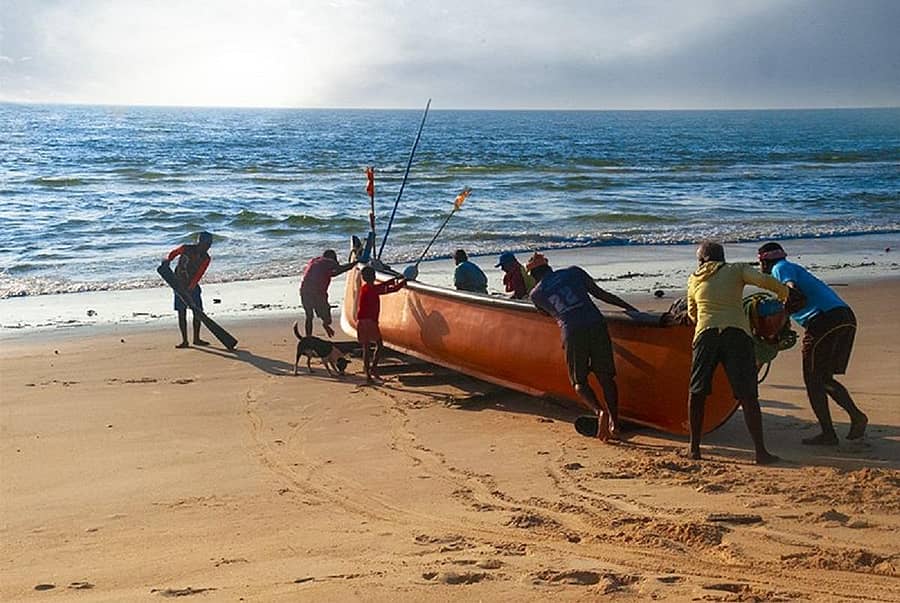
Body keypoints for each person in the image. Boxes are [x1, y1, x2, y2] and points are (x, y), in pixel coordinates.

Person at [686, 241, 787, 464]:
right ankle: (761, 453)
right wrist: (785, 293)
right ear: (722, 258)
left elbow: (693, 313)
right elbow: (765, 282)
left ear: (702, 260)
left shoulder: (694, 279)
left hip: (706, 335)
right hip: (737, 335)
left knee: (697, 392)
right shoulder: (737, 269)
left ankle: (694, 449)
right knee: (747, 395)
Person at [758, 242, 868, 445]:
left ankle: (830, 432)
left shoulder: (780, 268)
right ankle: (855, 417)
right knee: (823, 377)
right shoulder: (792, 267)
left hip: (824, 320)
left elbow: (792, 289)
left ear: (764, 261)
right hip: (844, 318)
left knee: (813, 379)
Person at [527, 252, 639, 441]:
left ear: (533, 275)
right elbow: (601, 294)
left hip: (572, 332)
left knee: (579, 382)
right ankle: (615, 422)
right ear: (549, 266)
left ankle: (599, 411)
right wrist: (632, 309)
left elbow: (548, 313)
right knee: (606, 377)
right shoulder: (574, 272)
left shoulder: (536, 294)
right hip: (596, 324)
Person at [164, 231, 213, 349]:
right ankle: (184, 341)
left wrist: (191, 287)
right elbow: (173, 254)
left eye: (210, 244)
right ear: (199, 242)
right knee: (182, 313)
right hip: (178, 284)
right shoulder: (186, 248)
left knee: (198, 312)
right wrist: (167, 261)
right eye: (206, 243)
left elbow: (199, 274)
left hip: (193, 286)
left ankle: (196, 339)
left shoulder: (206, 258)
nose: (208, 246)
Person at [357, 266, 405, 384]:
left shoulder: (365, 288)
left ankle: (368, 374)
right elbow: (392, 290)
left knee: (366, 348)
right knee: (379, 345)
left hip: (361, 321)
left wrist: (394, 280)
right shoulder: (372, 289)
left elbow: (382, 287)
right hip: (370, 322)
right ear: (373, 277)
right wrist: (403, 283)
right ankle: (373, 369)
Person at [300, 249, 355, 338]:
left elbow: (332, 273)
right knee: (327, 319)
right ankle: (325, 324)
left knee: (309, 316)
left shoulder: (315, 261)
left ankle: (308, 338)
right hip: (318, 293)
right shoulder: (329, 261)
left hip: (305, 291)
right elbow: (340, 269)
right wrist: (354, 264)